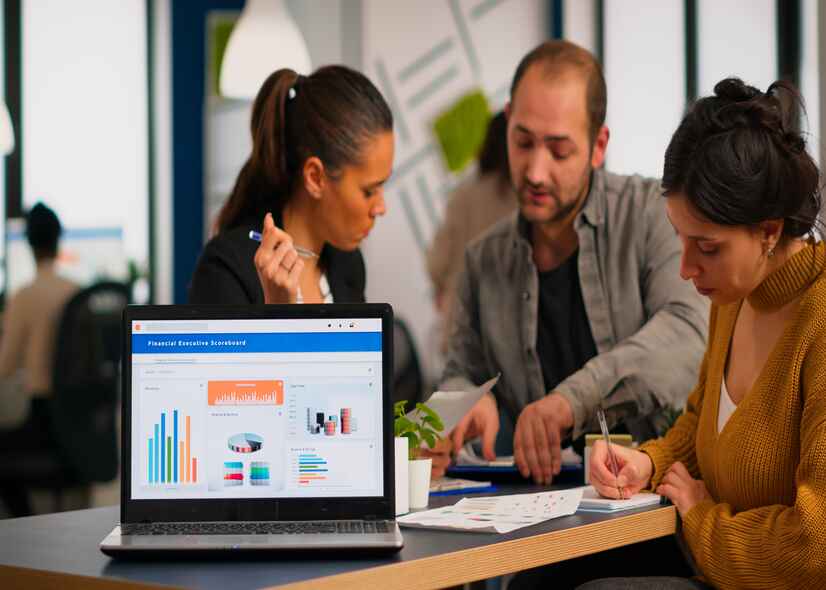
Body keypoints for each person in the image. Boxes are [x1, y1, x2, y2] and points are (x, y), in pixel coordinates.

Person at [581, 78, 826, 589]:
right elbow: (701, 424)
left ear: (769, 230)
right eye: (679, 239)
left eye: (707, 247)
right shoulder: (735, 296)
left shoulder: (817, 322)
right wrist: (649, 463)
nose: (687, 269)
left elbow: (814, 545)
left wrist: (700, 519)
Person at [440, 40, 708, 483]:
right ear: (507, 124)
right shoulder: (483, 260)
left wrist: (571, 402)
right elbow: (460, 371)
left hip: (654, 500)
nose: (535, 172)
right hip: (538, 515)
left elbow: (687, 334)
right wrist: (468, 403)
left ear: (598, 145)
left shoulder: (650, 216)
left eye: (559, 151)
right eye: (522, 143)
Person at [189, 65, 394, 305]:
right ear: (315, 178)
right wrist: (277, 311)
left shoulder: (348, 266)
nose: (381, 207)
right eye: (369, 191)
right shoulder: (225, 271)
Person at [0, 203, 79, 516]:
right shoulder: (76, 291)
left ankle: (20, 528)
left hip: (43, 425)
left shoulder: (24, 295)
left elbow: (6, 367)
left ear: (30, 244)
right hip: (80, 429)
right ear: (59, 240)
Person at [426, 110, 516, 321]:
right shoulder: (529, 200)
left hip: (459, 326)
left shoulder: (464, 195)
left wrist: (442, 286)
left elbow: (436, 264)